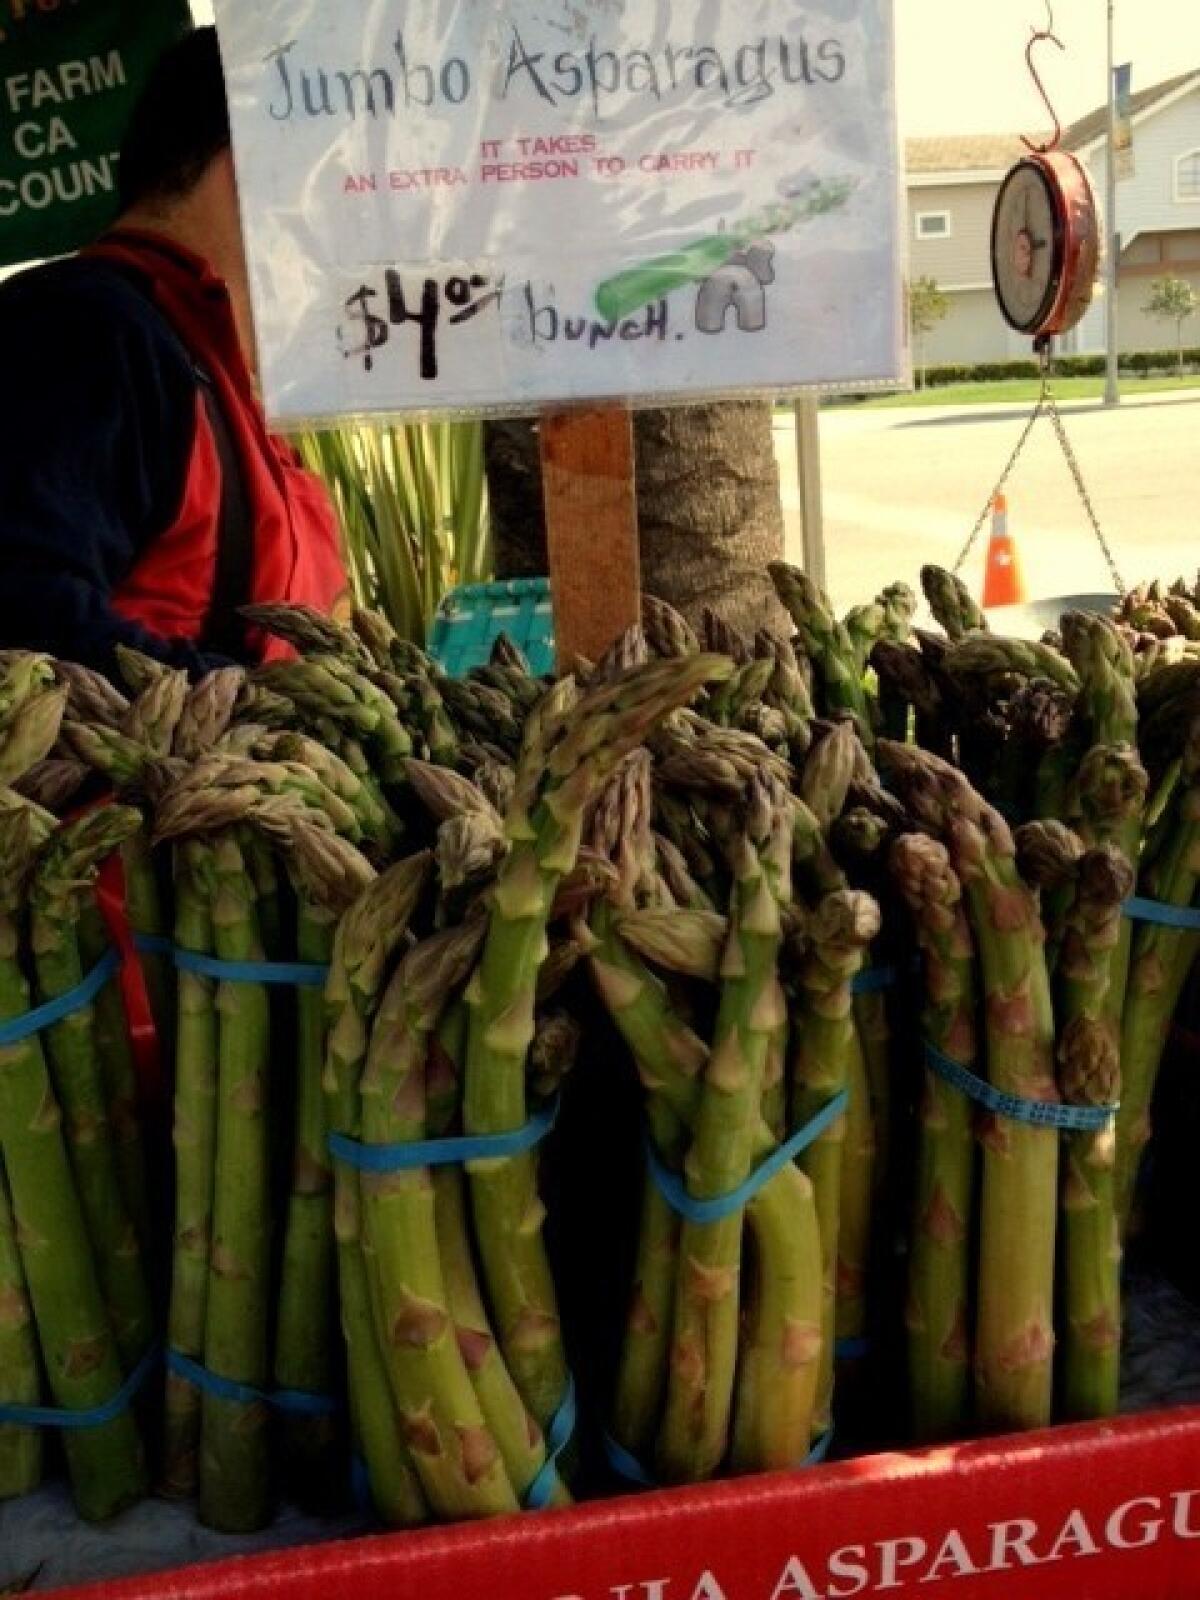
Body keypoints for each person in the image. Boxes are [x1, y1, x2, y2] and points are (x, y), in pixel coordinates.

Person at [0, 26, 348, 677]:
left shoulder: (205, 355)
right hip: (133, 778)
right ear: (254, 174)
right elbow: (22, 610)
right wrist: (260, 710)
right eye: (341, 181)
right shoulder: (83, 330)